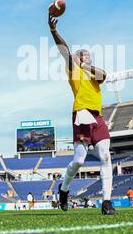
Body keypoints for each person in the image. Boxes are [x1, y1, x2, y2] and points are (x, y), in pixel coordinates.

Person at [49, 13, 115, 216]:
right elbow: (64, 50)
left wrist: (85, 63)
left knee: (105, 156)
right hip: (81, 115)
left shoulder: (93, 74)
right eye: (82, 54)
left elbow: (104, 75)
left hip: (97, 117)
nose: (85, 54)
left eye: (87, 54)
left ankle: (106, 203)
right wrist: (53, 31)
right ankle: (64, 189)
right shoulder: (73, 71)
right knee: (78, 161)